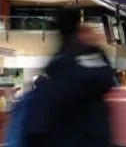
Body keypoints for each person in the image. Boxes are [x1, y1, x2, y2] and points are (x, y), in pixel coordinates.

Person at [27, 8, 116, 147]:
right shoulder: (86, 63)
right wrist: (94, 49)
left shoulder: (55, 69)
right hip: (90, 138)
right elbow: (106, 79)